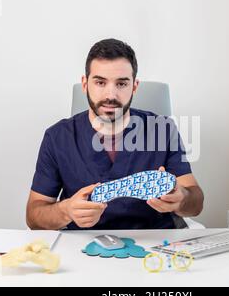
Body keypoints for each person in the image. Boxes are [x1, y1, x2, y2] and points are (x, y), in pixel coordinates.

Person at [26, 38, 203, 230]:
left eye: (121, 84)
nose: (110, 95)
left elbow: (196, 202)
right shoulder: (58, 138)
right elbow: (34, 215)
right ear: (85, 84)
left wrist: (182, 198)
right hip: (83, 247)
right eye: (100, 82)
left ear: (134, 86)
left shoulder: (163, 130)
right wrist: (66, 210)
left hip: (154, 246)